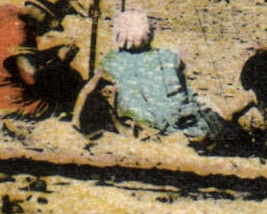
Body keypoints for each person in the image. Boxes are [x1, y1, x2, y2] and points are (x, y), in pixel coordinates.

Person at [74, 10, 222, 141]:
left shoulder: (112, 60)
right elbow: (187, 93)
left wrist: (76, 122)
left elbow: (87, 91)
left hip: (143, 124)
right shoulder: (170, 57)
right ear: (149, 32)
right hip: (180, 119)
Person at [0, 0, 86, 119]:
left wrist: (53, 52)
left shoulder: (9, 18)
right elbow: (31, 78)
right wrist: (60, 60)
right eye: (57, 19)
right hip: (13, 107)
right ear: (46, 14)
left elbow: (18, 61)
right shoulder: (20, 31)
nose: (54, 26)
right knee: (69, 80)